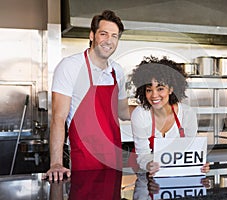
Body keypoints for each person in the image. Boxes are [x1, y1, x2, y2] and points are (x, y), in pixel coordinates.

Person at [44, 10, 131, 181]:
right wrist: (55, 163)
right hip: (84, 157)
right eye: (103, 34)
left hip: (113, 158)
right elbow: (58, 118)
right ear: (92, 35)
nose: (109, 40)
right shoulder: (70, 66)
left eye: (114, 36)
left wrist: (154, 109)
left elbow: (123, 112)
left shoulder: (117, 71)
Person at [129, 56, 209, 176]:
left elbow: (191, 150)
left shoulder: (187, 115)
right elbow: (142, 155)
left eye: (160, 88)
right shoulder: (140, 114)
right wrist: (149, 164)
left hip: (176, 173)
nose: (154, 95)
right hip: (144, 173)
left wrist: (200, 164)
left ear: (171, 89)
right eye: (149, 90)